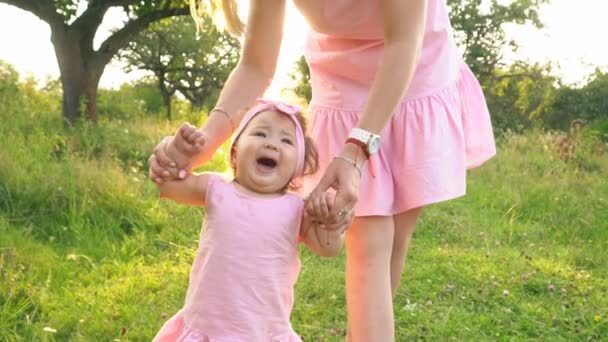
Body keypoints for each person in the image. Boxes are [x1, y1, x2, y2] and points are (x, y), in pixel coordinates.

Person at [148, 0, 496, 340]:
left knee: (392, 241)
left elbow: (403, 40)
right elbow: (256, 66)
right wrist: (199, 145)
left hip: (413, 63)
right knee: (370, 238)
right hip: (341, 77)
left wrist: (356, 150)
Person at [151, 99, 349, 341]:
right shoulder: (215, 188)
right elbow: (168, 185)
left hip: (262, 332)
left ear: (298, 166)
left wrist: (329, 222)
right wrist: (179, 152)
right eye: (260, 133)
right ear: (234, 151)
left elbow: (328, 248)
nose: (271, 143)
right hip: (207, 327)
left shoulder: (298, 209)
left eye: (286, 140)